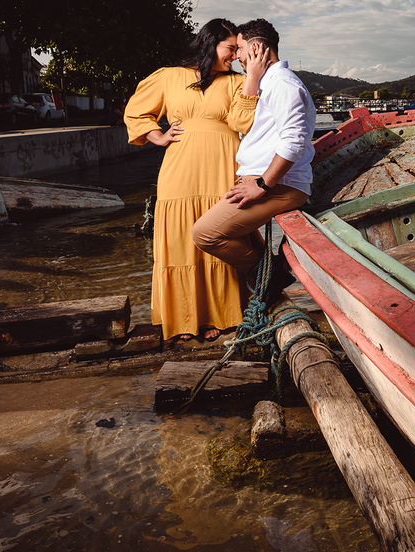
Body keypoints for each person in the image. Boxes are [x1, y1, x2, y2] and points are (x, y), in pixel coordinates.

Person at [124, 18, 271, 341]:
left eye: (236, 50)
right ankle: (187, 319)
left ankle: (225, 315)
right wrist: (158, 137)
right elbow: (136, 112)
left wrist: (252, 80)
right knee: (180, 242)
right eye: (229, 48)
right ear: (209, 43)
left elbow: (242, 122)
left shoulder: (237, 82)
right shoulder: (168, 77)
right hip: (180, 172)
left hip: (224, 169)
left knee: (217, 236)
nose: (233, 55)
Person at [191, 18, 315, 306]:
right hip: (269, 183)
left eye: (241, 49)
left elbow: (293, 141)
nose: (237, 57)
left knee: (205, 234)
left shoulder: (283, 84)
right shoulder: (268, 83)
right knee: (217, 233)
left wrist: (261, 184)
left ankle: (271, 276)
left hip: (277, 186)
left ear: (257, 47)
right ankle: (271, 275)